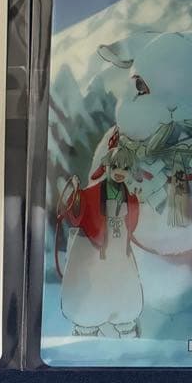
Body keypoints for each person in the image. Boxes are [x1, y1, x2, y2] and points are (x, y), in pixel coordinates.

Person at [58, 136, 144, 338]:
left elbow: (131, 225)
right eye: (115, 167)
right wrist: (76, 195)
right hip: (93, 252)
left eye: (125, 168)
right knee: (91, 296)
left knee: (122, 294)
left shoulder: (130, 196)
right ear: (106, 167)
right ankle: (86, 333)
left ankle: (126, 333)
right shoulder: (90, 194)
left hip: (119, 253)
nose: (120, 172)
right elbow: (75, 217)